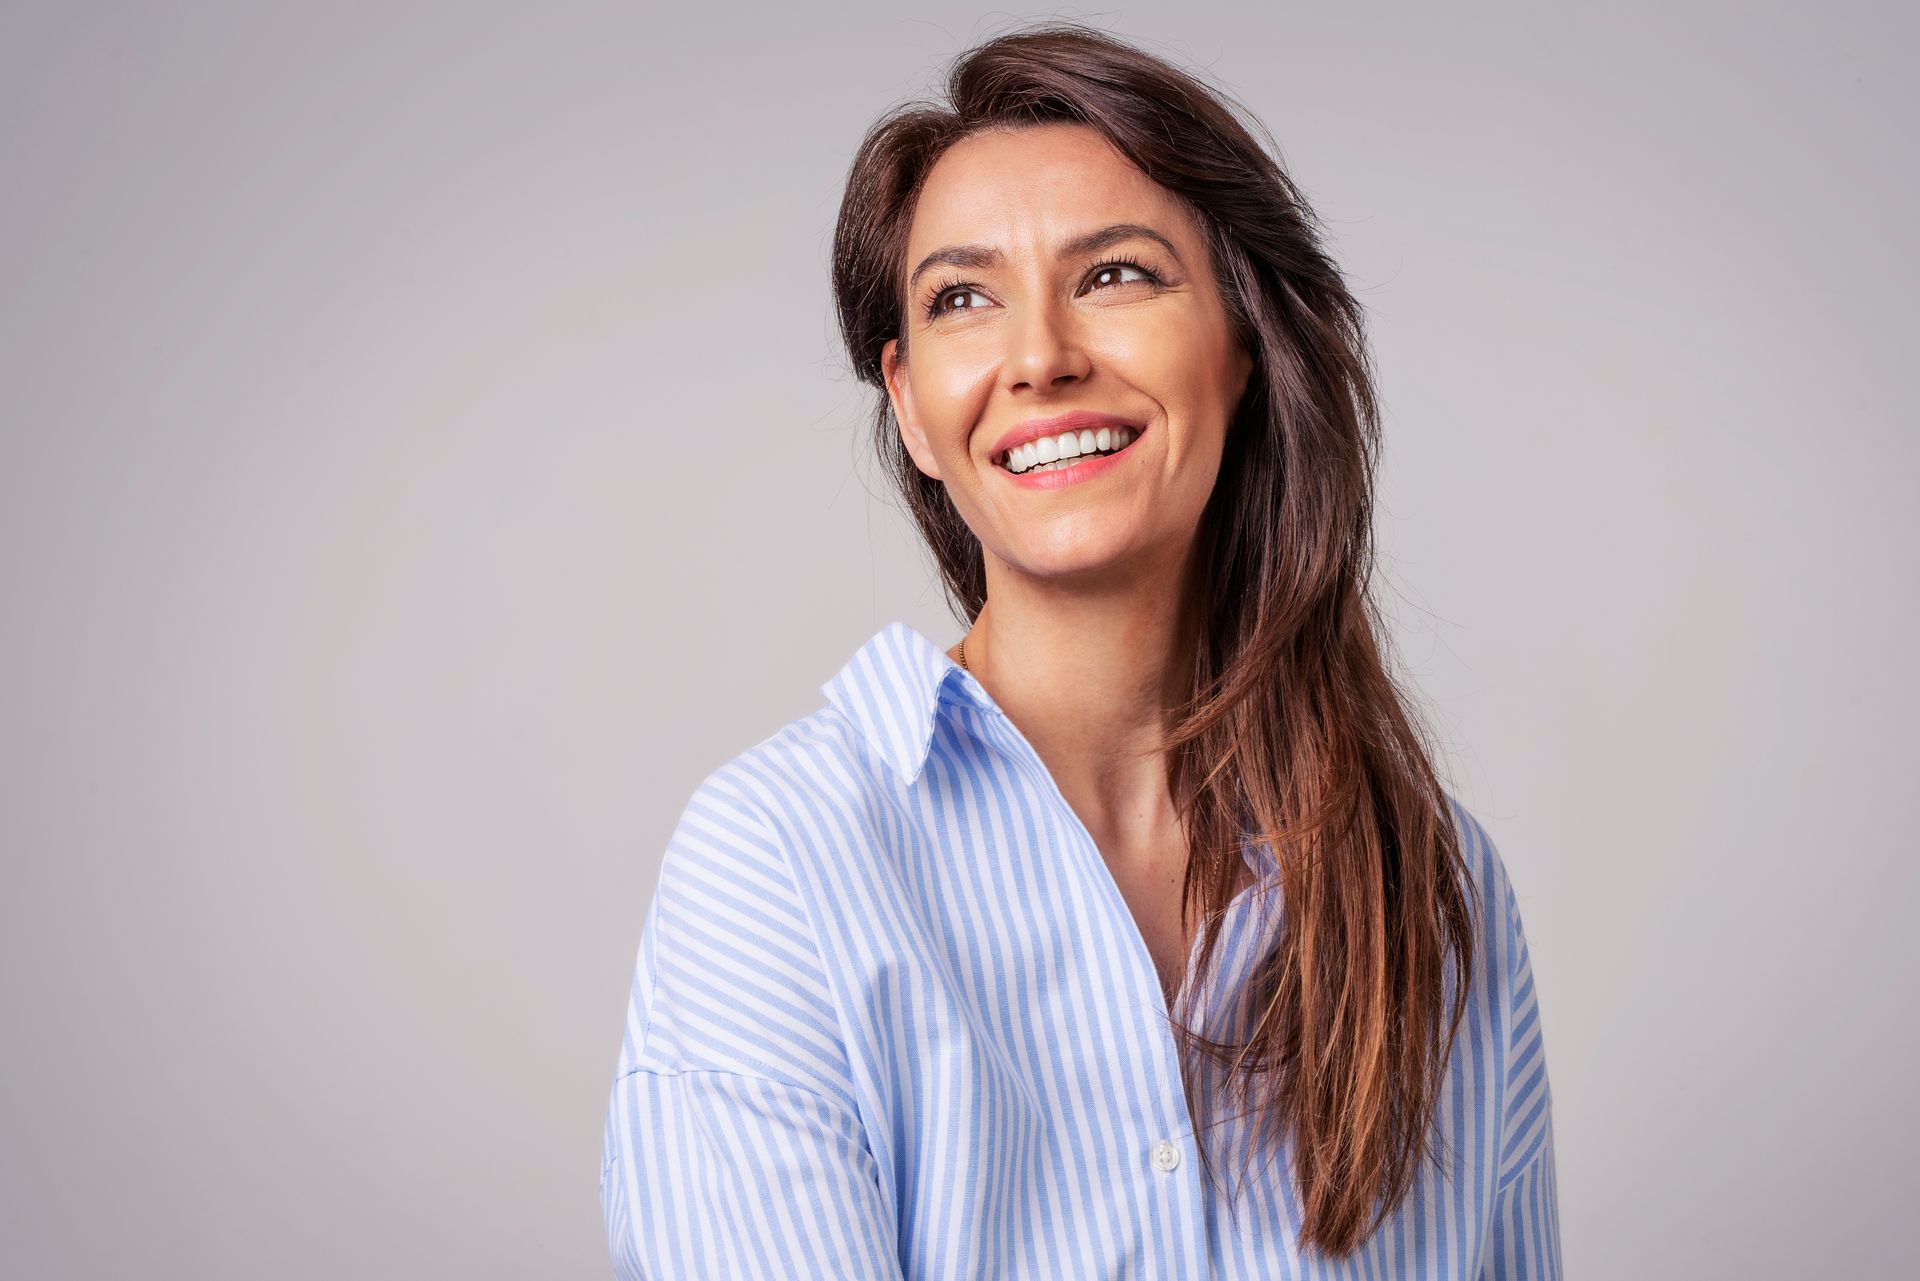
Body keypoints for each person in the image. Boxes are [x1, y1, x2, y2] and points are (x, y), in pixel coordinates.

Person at [600, 20, 1560, 1279]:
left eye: (1115, 275)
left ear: (1244, 349)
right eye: (962, 299)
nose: (1041, 357)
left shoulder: (1431, 886)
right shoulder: (777, 863)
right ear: (912, 408)